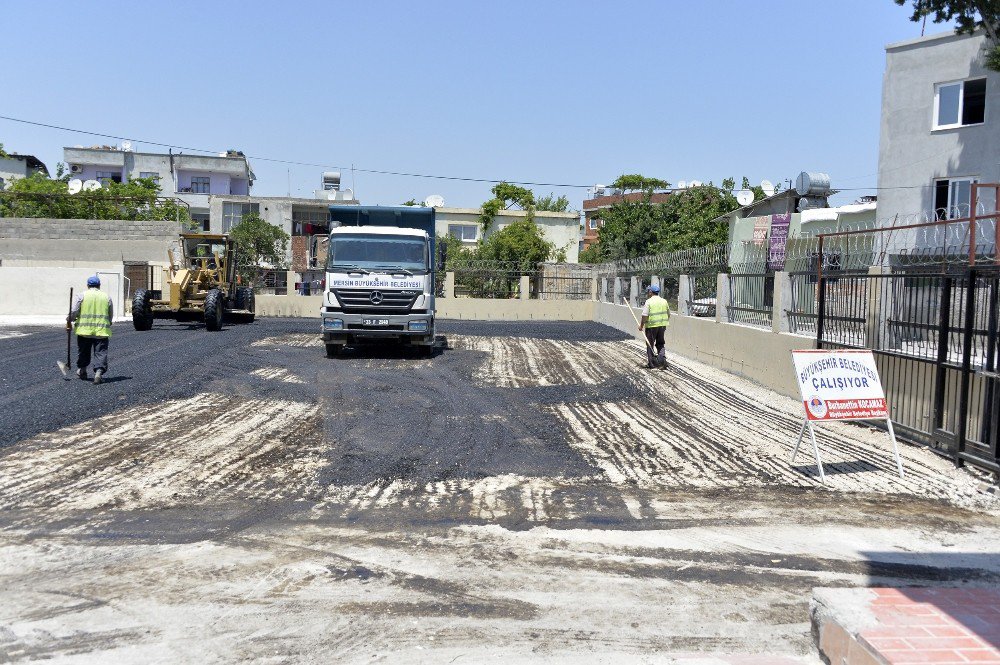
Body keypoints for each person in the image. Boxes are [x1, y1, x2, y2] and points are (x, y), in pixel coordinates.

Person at [67, 275, 113, 384]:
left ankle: (82, 370)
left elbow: (74, 311)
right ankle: (98, 373)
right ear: (99, 285)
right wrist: (108, 323)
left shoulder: (81, 296)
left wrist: (69, 319)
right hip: (101, 331)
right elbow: (110, 315)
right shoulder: (107, 297)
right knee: (100, 352)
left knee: (83, 351)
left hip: (84, 331)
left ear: (88, 285)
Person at [638, 284, 670, 369]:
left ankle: (651, 364)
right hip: (662, 326)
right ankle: (662, 361)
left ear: (651, 292)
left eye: (649, 291)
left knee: (650, 344)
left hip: (651, 327)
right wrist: (664, 323)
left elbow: (644, 315)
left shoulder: (649, 301)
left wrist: (641, 325)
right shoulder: (664, 301)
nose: (648, 292)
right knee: (660, 343)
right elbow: (668, 314)